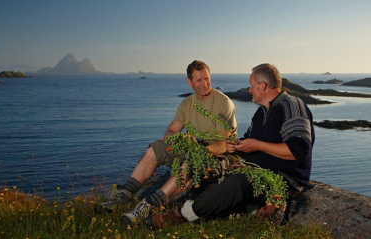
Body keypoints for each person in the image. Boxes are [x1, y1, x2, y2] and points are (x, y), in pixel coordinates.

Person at [146, 63, 315, 229]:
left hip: (283, 178)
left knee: (237, 182)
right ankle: (257, 210)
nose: (248, 90)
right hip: (254, 170)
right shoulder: (261, 112)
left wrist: (256, 145)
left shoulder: (292, 106)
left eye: (251, 85)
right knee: (212, 173)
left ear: (263, 86)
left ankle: (179, 216)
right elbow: (248, 141)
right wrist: (236, 147)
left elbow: (298, 151)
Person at [94, 60, 237, 225]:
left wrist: (204, 151)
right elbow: (170, 132)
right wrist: (180, 139)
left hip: (220, 155)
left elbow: (224, 142)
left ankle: (149, 205)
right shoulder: (186, 104)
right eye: (199, 80)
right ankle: (124, 195)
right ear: (190, 82)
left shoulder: (223, 102)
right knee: (157, 147)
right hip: (193, 148)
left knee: (191, 161)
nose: (204, 84)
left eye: (206, 78)